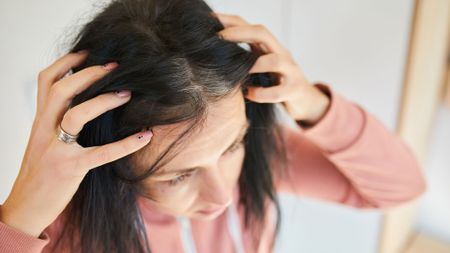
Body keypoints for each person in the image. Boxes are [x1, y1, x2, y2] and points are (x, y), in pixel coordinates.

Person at [0, 0, 427, 252]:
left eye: (232, 147)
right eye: (178, 175)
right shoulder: (60, 230)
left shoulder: (264, 152)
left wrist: (312, 104)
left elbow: (400, 187)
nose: (223, 195)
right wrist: (20, 217)